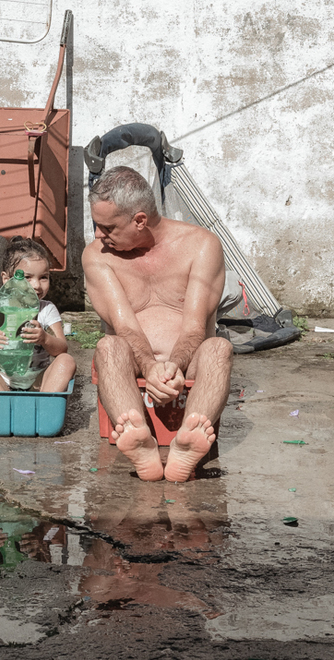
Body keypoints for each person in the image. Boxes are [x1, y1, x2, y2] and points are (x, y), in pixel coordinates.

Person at [83, 166, 233, 482]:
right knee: (108, 347)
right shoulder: (97, 255)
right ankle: (140, 439)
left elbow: (194, 327)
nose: (98, 235)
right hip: (133, 366)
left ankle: (187, 442)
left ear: (140, 220)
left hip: (189, 364)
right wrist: (150, 367)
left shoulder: (202, 245)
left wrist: (173, 365)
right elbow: (124, 327)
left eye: (107, 227)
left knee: (218, 347)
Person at [0, 237, 76, 392]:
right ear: (6, 279)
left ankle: (44, 405)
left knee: (67, 361)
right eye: (27, 277)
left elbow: (62, 348)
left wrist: (45, 338)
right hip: (1, 379)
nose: (37, 285)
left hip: (38, 381)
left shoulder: (47, 309)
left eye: (43, 277)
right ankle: (1, 401)